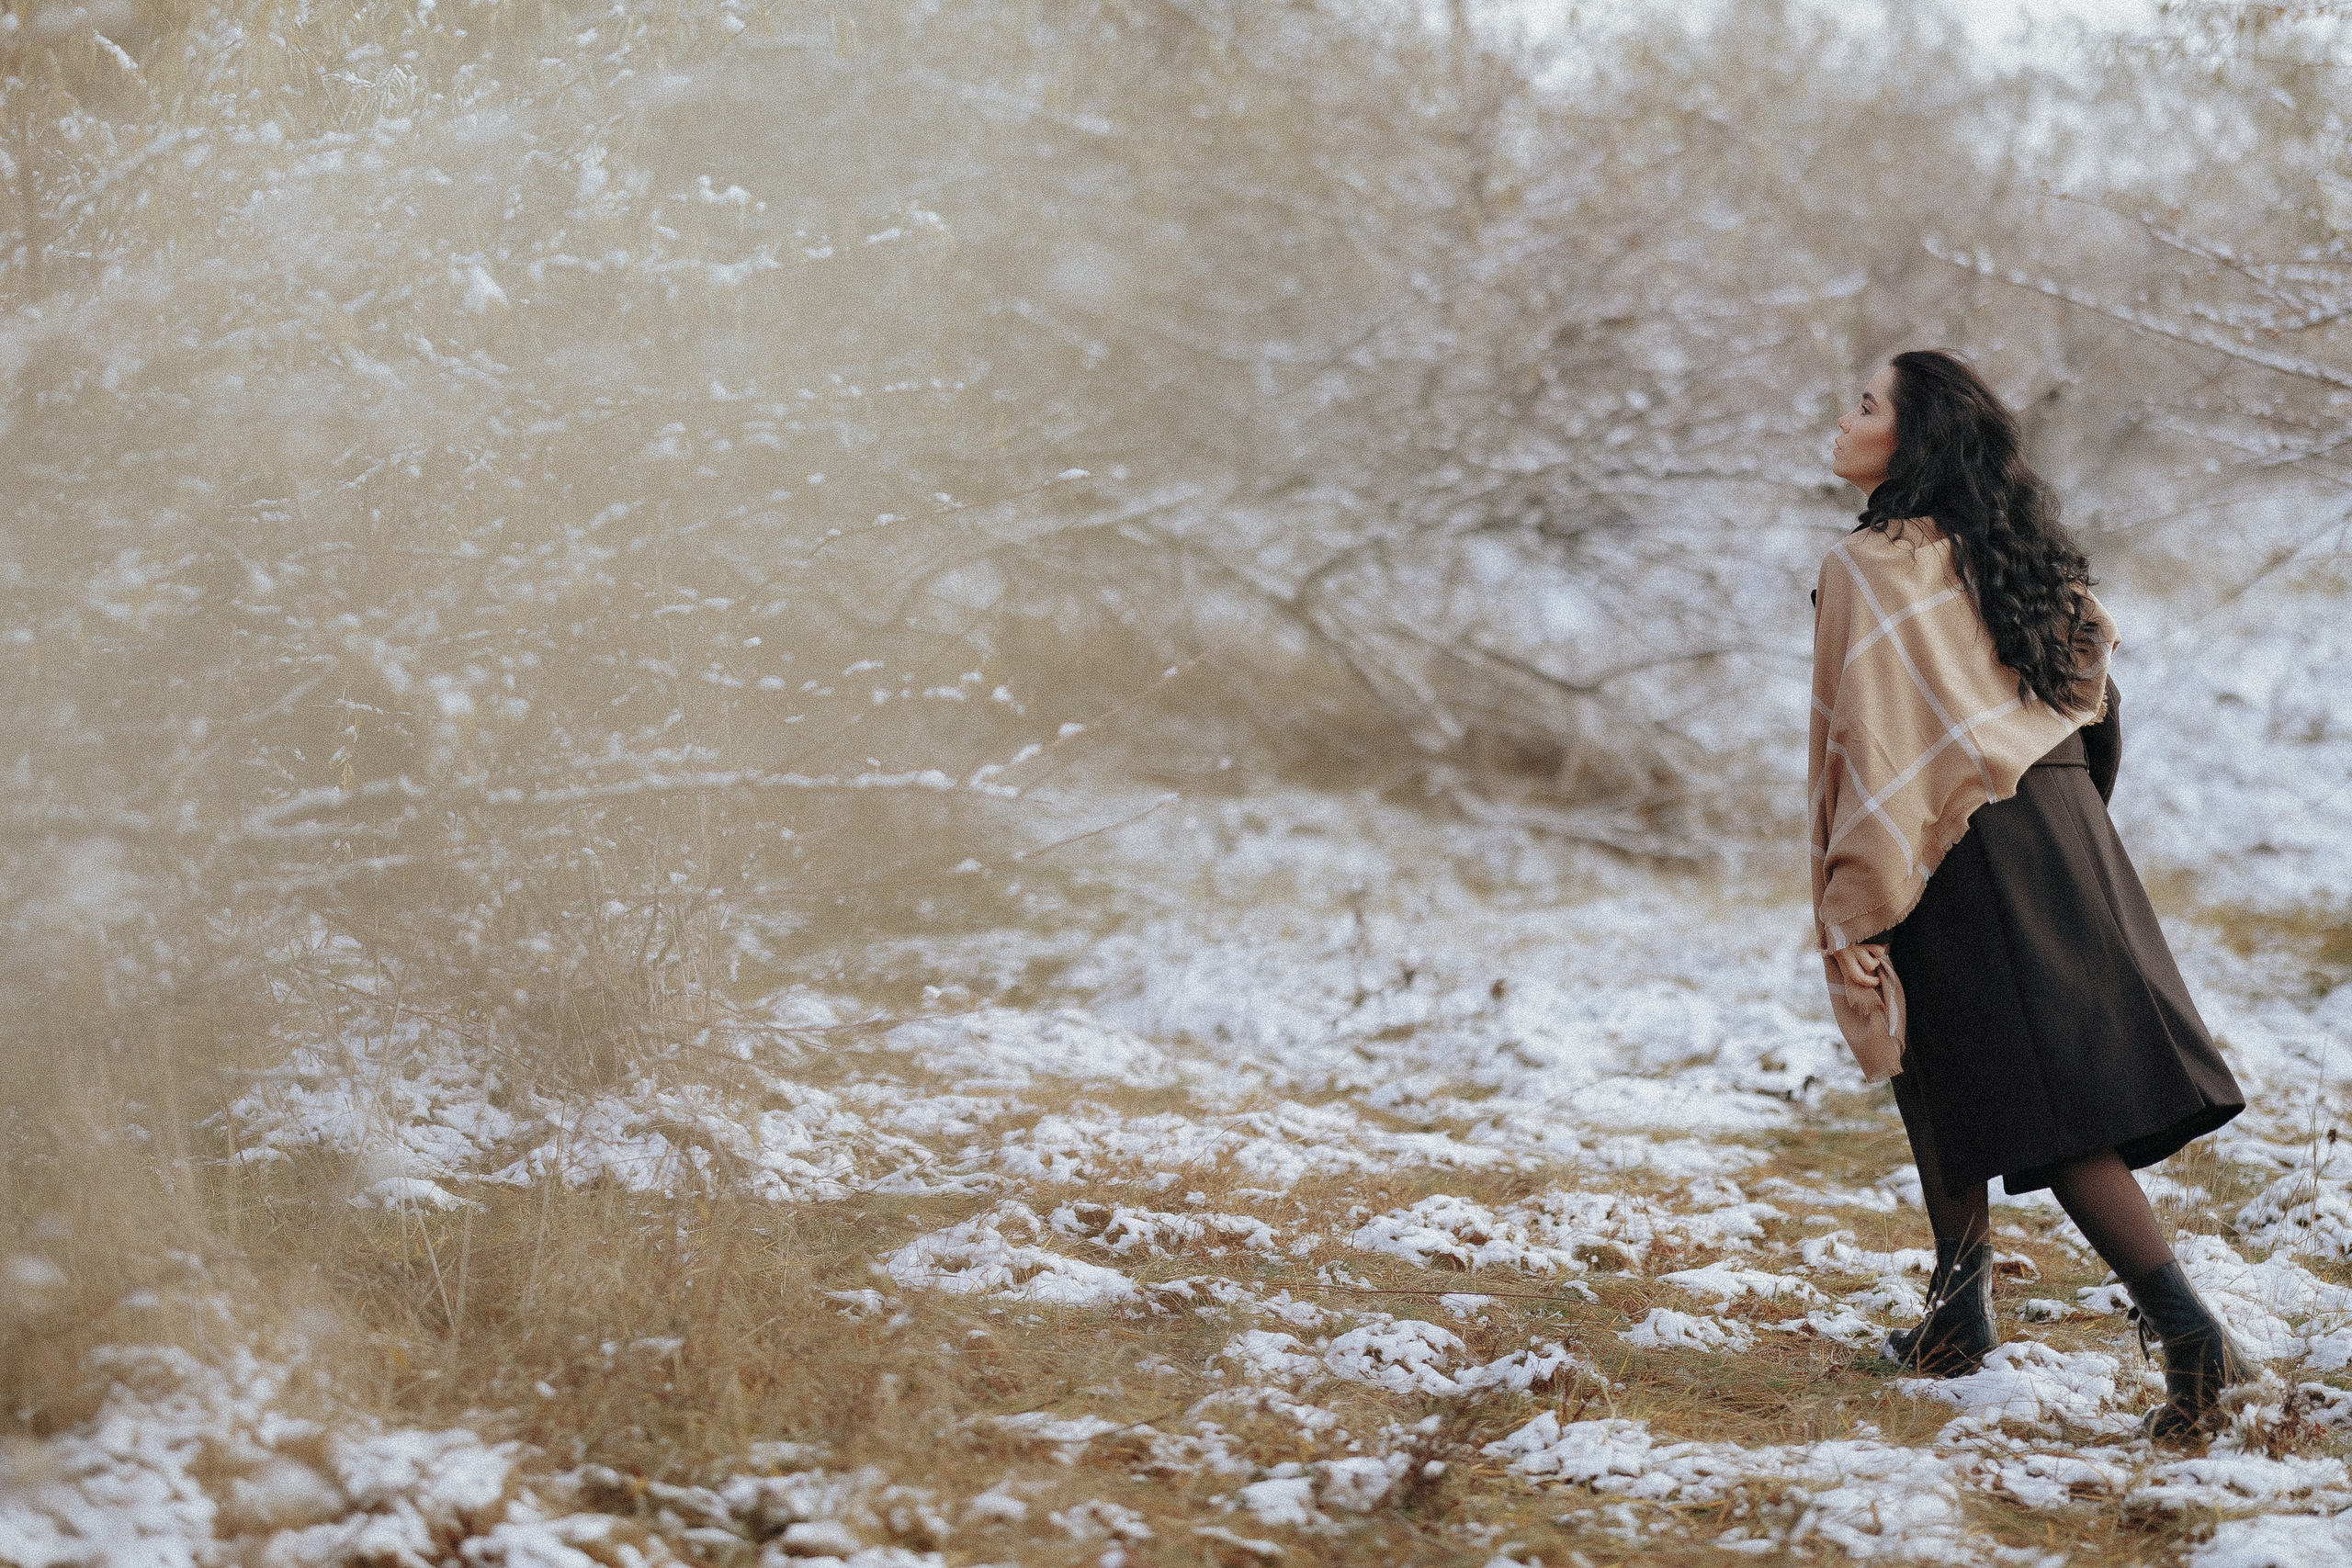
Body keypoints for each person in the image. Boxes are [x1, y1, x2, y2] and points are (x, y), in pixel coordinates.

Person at [1809, 350, 2249, 1440]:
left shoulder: (1867, 566)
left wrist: (1852, 895)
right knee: (1939, 1063)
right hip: (2052, 821)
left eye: (1865, 405)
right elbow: (2095, 683)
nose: (1842, 416)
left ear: (1909, 443)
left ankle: (2191, 1337)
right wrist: (2063, 811)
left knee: (2050, 1111)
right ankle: (1957, 1314)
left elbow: (1864, 752)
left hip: (1954, 843)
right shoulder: (2003, 547)